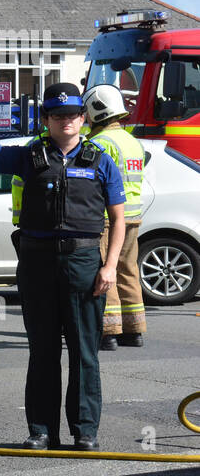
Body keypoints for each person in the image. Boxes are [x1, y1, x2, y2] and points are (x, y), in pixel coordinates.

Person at [0, 70, 124, 451]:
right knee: (42, 351)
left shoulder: (100, 160)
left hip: (83, 263)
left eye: (73, 114)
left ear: (83, 118)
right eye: (58, 115)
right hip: (38, 263)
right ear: (46, 119)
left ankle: (85, 431)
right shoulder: (31, 155)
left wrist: (109, 267)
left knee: (84, 353)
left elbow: (119, 218)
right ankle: (41, 430)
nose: (66, 120)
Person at [85, 84, 147, 350]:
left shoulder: (99, 144)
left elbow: (90, 181)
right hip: (132, 217)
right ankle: (134, 331)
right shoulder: (132, 141)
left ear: (96, 111)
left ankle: (108, 331)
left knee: (105, 271)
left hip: (107, 217)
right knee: (127, 271)